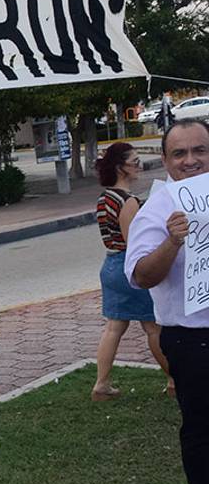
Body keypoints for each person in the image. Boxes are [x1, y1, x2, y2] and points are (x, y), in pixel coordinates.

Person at [126, 118, 209, 484]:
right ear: (165, 161)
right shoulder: (156, 210)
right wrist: (172, 242)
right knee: (202, 430)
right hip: (193, 340)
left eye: (199, 150)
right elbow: (140, 276)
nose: (191, 160)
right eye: (180, 153)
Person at [91, 142, 172, 400]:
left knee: (114, 326)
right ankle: (174, 380)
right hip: (127, 267)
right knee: (153, 327)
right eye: (134, 161)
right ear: (120, 167)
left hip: (110, 265)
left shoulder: (105, 198)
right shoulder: (128, 202)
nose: (139, 166)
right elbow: (134, 243)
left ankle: (101, 384)